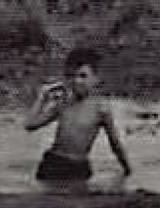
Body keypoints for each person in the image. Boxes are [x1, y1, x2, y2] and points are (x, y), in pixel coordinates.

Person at [24, 46, 131, 188]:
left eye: (83, 76)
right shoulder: (63, 103)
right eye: (72, 76)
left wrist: (127, 169)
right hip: (53, 162)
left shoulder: (101, 108)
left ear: (96, 78)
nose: (77, 81)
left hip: (79, 166)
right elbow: (30, 125)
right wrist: (42, 96)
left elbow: (115, 144)